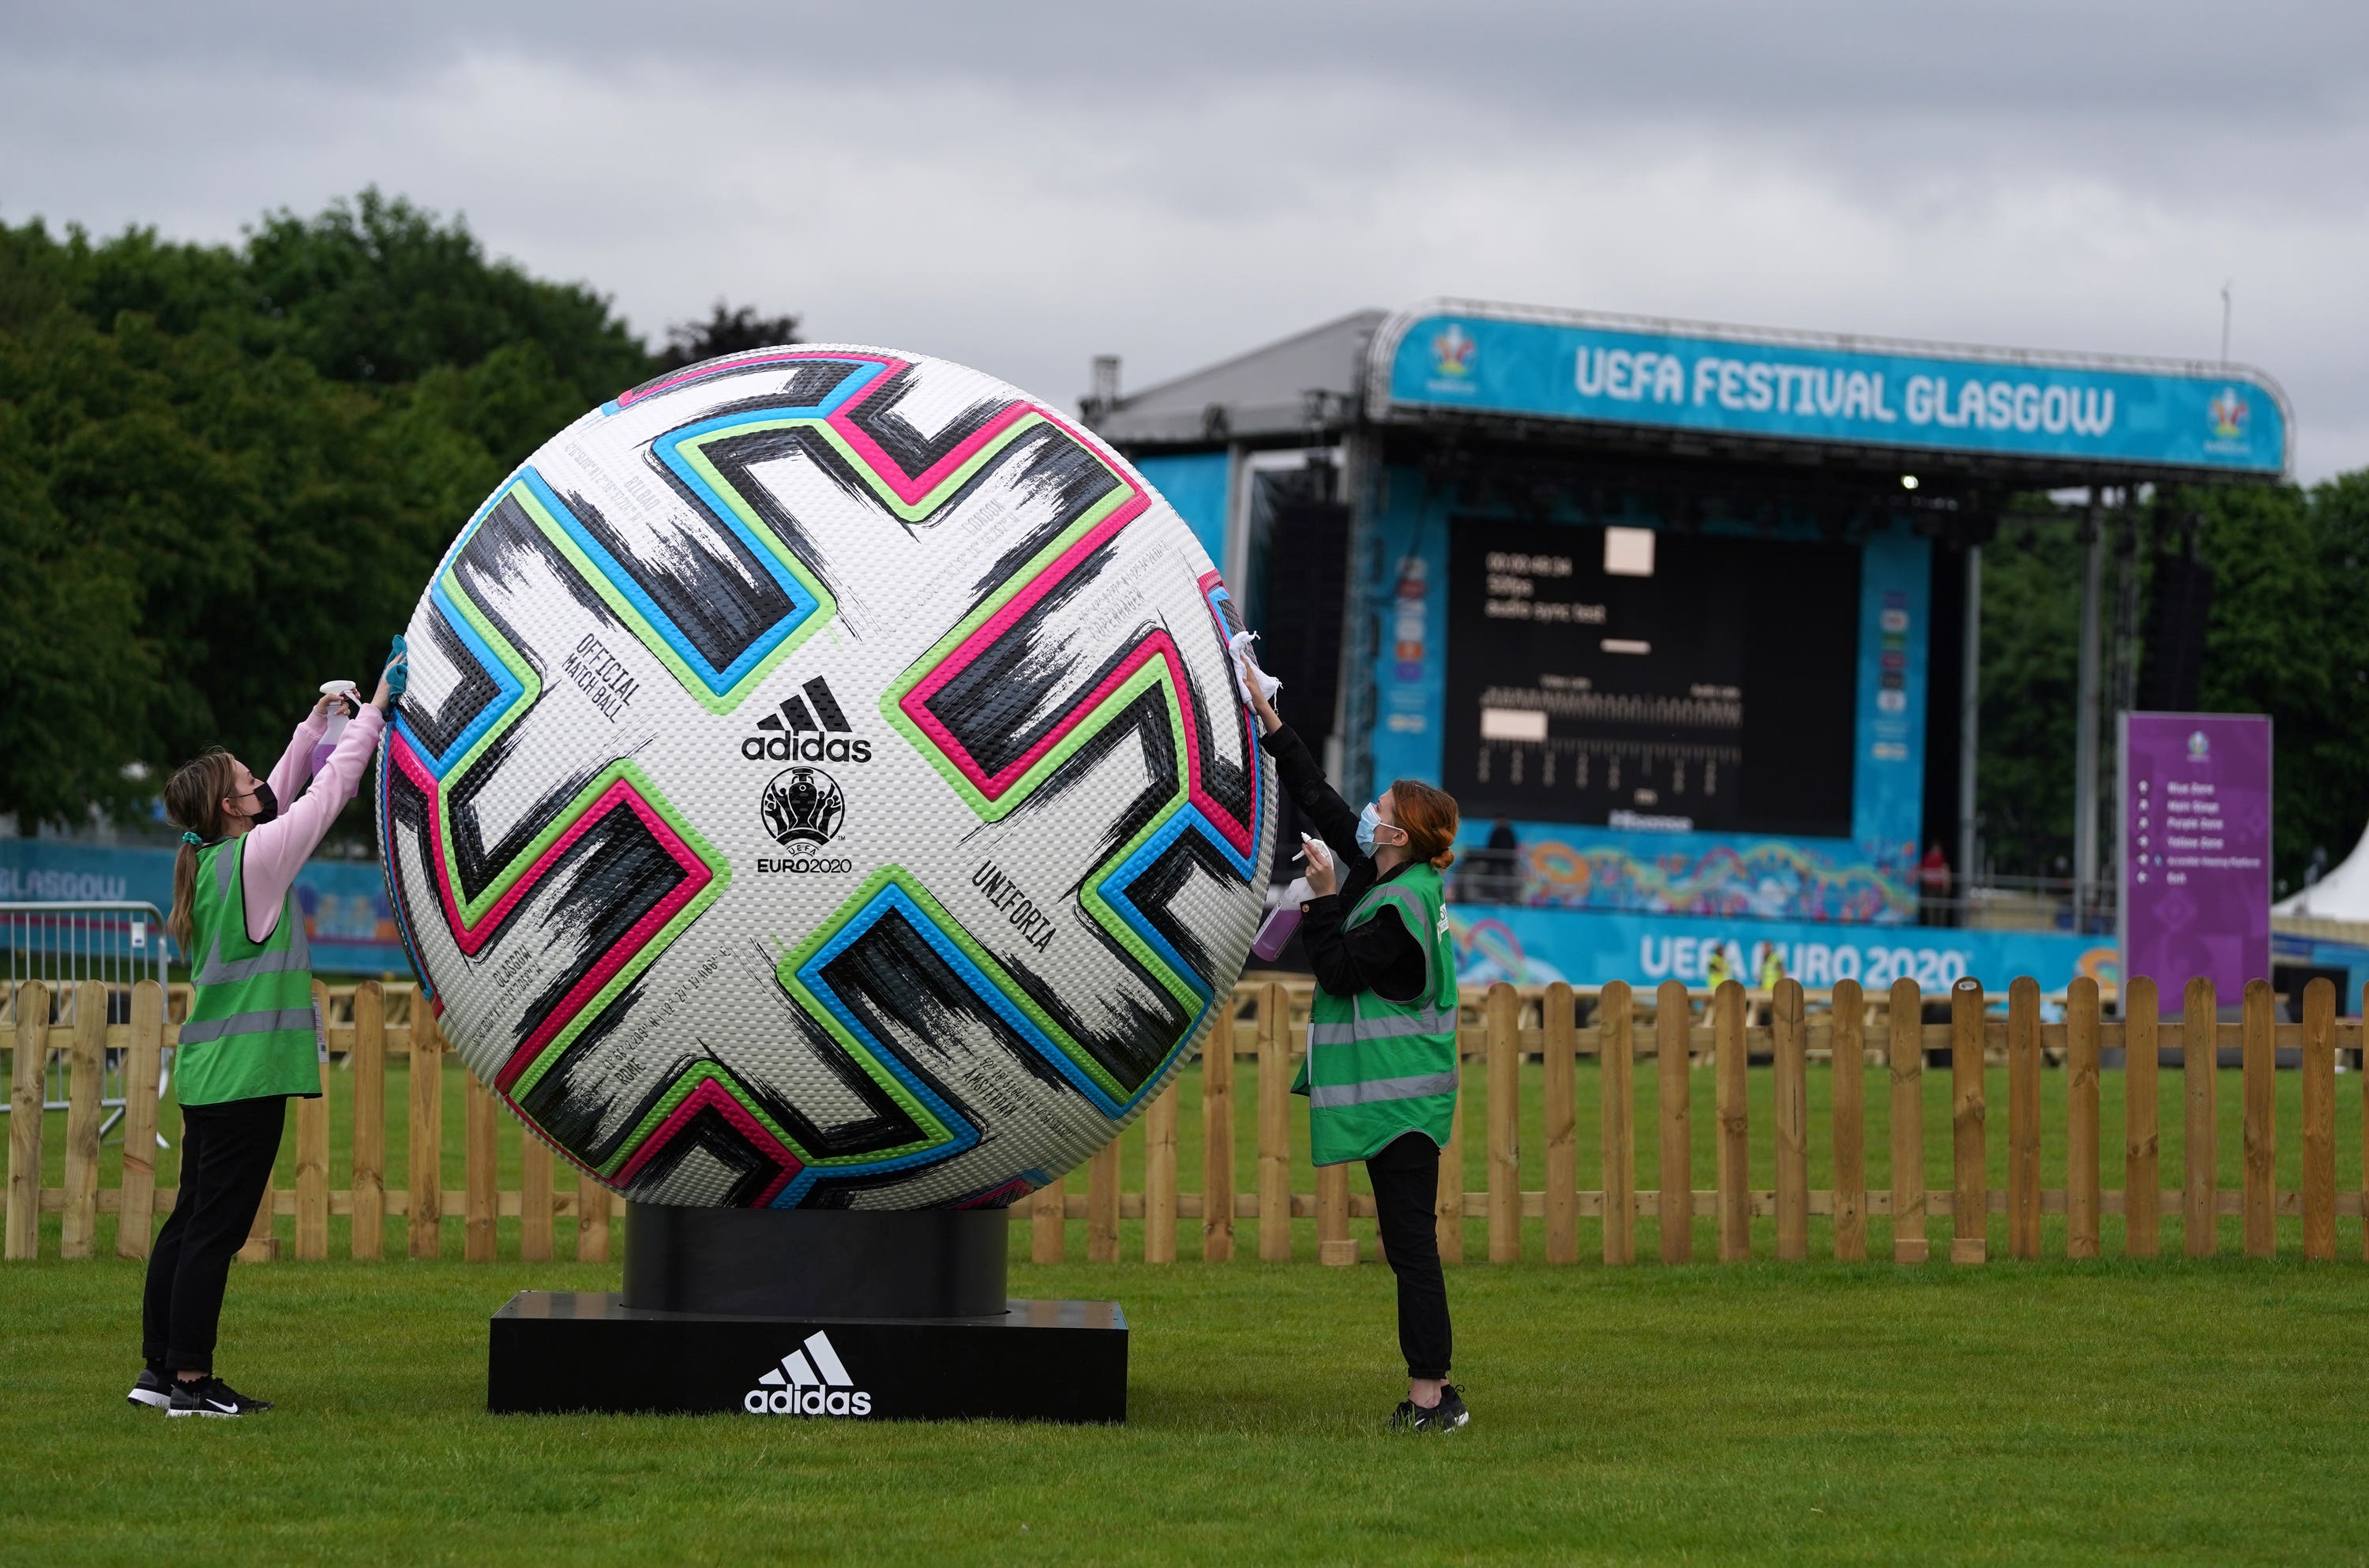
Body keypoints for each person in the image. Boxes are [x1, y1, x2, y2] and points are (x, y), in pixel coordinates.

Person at [134, 651, 402, 1417]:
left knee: (189, 1221)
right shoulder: (257, 859)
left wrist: (316, 721)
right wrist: (375, 711)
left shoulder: (215, 860)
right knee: (214, 1232)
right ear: (230, 809)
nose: (262, 787)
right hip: (248, 1078)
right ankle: (192, 1381)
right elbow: (324, 795)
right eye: (247, 783)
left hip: (209, 1077)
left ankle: (157, 1372)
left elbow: (285, 789)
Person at [1240, 650, 1469, 1433]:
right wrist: (1271, 719)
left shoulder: (1390, 906)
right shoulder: (1399, 882)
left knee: (1412, 1252)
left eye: (1381, 808)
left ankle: (1433, 1399)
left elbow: (1336, 974)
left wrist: (1323, 899)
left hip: (1401, 1105)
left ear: (1398, 832)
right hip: (1404, 1102)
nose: (1367, 812)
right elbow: (1319, 796)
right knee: (1409, 1248)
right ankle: (1435, 1393)